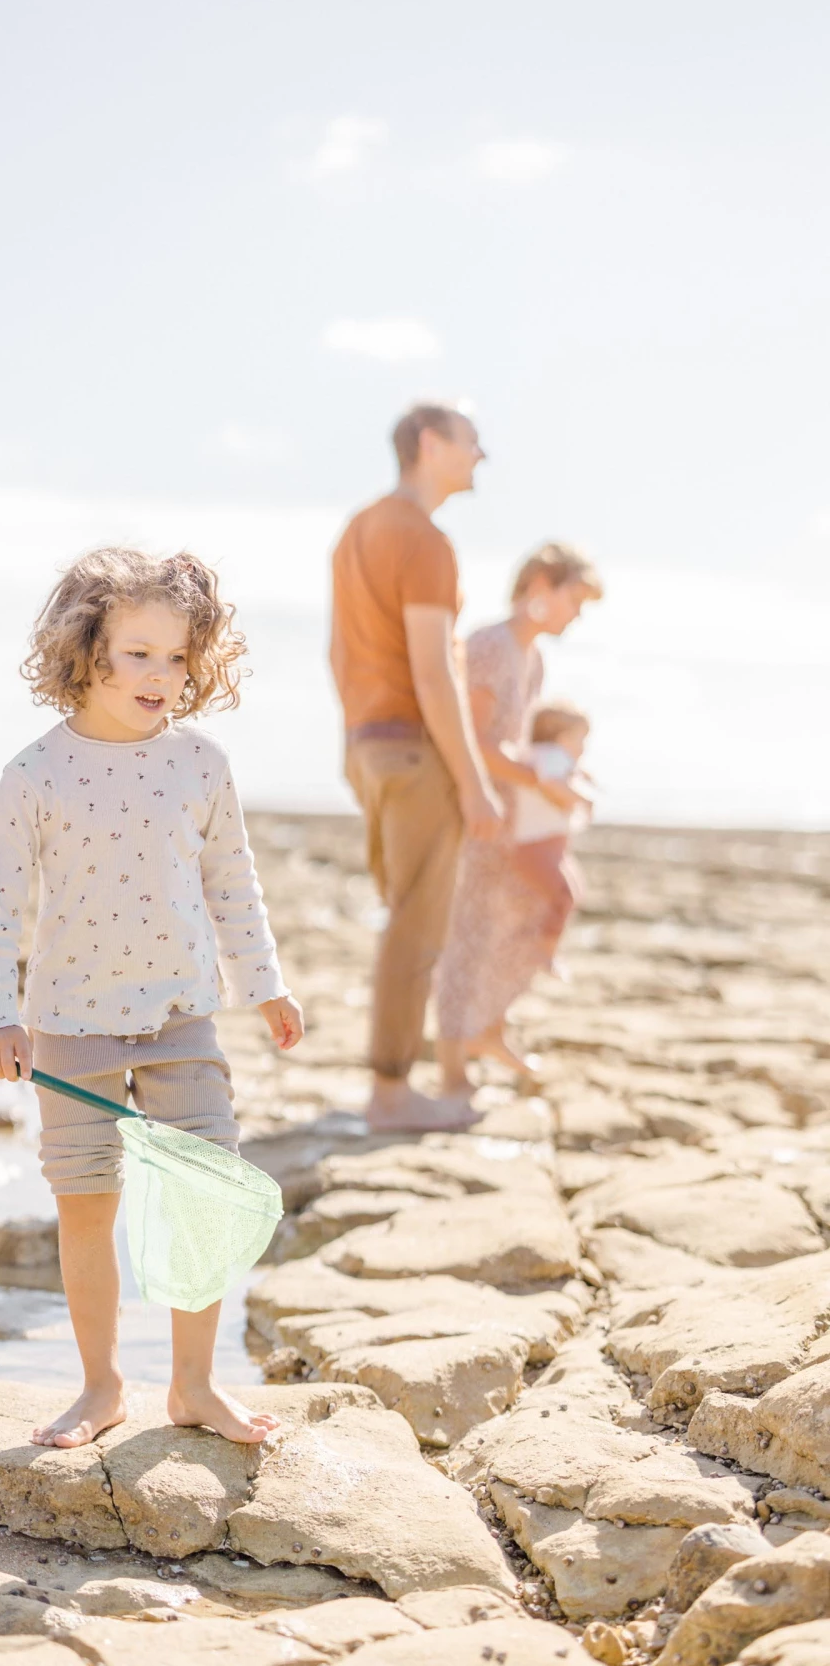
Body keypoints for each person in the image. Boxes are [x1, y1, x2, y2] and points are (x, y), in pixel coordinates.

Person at [0, 547, 304, 1450]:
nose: (165, 674)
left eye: (181, 657)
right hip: (69, 1022)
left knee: (202, 1192)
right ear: (88, 650)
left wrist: (266, 984)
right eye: (141, 652)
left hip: (182, 1017)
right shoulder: (35, 772)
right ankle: (101, 1385)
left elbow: (235, 883)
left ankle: (192, 1383)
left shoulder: (200, 764)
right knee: (86, 1202)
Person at [330, 403, 502, 1133]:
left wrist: (360, 743)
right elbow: (435, 674)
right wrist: (474, 781)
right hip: (412, 747)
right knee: (416, 927)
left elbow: (338, 654)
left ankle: (391, 1086)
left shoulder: (357, 530)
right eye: (471, 442)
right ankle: (392, 1096)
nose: (482, 455)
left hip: (368, 743)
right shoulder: (426, 540)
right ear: (430, 446)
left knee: (402, 918)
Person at [435, 545, 602, 1096]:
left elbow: (520, 748)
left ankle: (488, 1028)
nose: (577, 614)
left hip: (514, 821)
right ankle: (454, 1067)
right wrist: (542, 783)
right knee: (470, 937)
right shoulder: (490, 646)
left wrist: (557, 780)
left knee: (530, 917)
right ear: (539, 589)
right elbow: (477, 743)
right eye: (573, 600)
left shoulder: (533, 660)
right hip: (477, 814)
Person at [512, 700, 592, 934]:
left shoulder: (547, 756)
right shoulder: (551, 755)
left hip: (543, 846)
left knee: (571, 894)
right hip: (537, 846)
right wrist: (583, 800)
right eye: (580, 739)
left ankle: (546, 947)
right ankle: (544, 949)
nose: (583, 747)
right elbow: (549, 782)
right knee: (563, 897)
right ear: (560, 737)